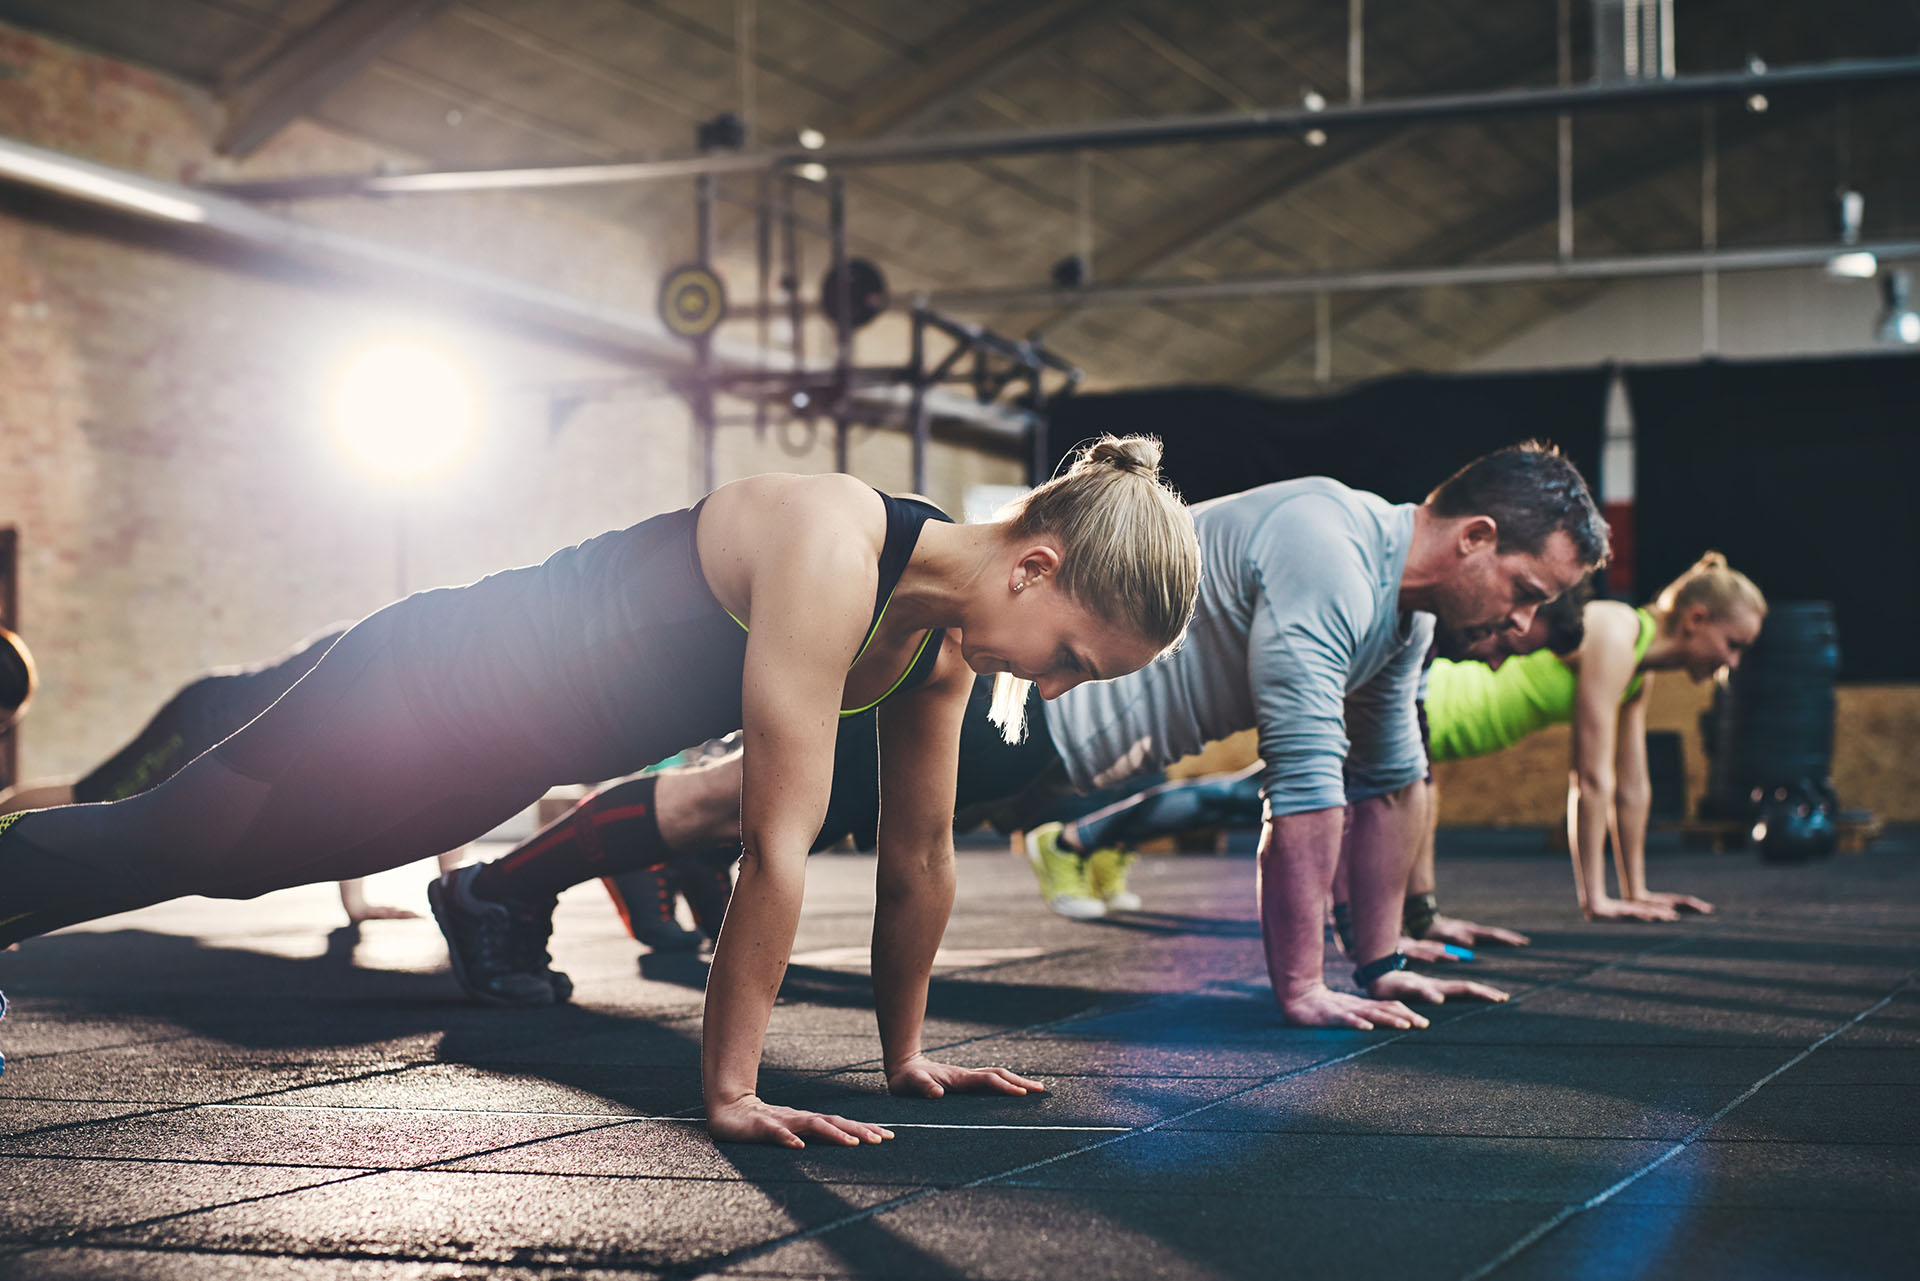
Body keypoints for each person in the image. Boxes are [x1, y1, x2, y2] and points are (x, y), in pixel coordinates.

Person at [0, 436, 1200, 1148]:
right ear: (1037, 568)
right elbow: (774, 848)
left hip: (494, 755)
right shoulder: (833, 544)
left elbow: (921, 858)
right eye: (1069, 661)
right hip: (431, 675)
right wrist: (731, 1091)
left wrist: (904, 1057)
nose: (1049, 692)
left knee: (238, 863)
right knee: (172, 840)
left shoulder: (935, 649)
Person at [502, 442, 1609, 1035]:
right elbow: (1306, 783)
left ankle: (655, 861)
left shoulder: (1401, 618)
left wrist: (1386, 959)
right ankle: (501, 889)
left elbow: (1389, 782)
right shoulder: (1331, 540)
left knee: (779, 808)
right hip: (1022, 697)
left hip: (1063, 744)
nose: (1521, 626)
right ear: (1474, 538)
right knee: (748, 802)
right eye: (1524, 590)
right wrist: (1306, 986)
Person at [0, 627, 443, 925]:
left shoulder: (418, 695)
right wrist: (358, 903)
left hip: (234, 729)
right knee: (94, 798)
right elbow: (372, 793)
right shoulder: (391, 674)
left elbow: (431, 794)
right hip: (202, 719)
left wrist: (363, 904)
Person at [1422, 552, 1765, 925]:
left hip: (1454, 726)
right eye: (1733, 645)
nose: (1733, 663)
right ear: (1696, 619)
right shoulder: (1616, 632)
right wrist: (1596, 899)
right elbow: (1590, 777)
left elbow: (1632, 786)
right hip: (1443, 707)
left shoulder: (1637, 665)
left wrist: (1637, 891)